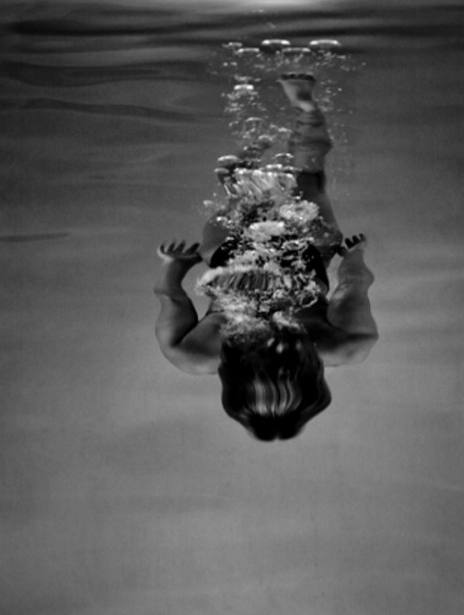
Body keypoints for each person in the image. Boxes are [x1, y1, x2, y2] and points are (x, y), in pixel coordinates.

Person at [154, 71, 378, 440]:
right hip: (240, 256)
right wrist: (174, 268)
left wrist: (354, 255)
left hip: (296, 255)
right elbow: (169, 298)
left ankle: (301, 114)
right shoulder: (194, 355)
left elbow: (353, 285)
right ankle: (246, 176)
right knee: (252, 202)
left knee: (307, 181)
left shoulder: (346, 346)